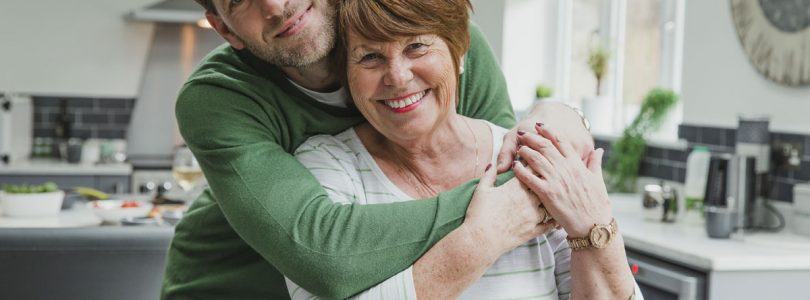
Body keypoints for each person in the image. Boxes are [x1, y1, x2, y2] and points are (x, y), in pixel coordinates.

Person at [162, 0, 595, 299]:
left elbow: (500, 159)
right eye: (240, 0)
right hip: (229, 287)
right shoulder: (219, 97)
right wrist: (510, 204)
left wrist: (561, 117)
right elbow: (321, 253)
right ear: (223, 28)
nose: (275, 5)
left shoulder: (430, 36)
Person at [285, 0, 641, 299]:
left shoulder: (529, 157)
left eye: (417, 47)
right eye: (370, 57)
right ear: (347, 74)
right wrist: (483, 238)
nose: (397, 76)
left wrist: (596, 229)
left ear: (458, 53)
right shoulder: (327, 166)